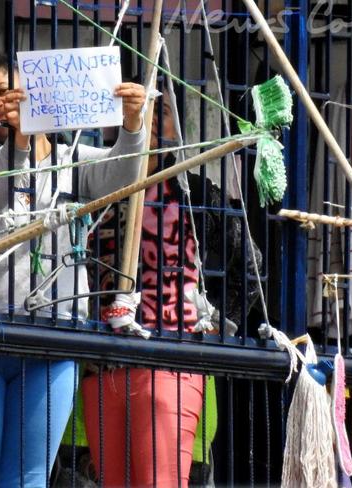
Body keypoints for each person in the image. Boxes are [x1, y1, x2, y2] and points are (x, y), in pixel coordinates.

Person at [0, 54, 146, 487]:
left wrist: (132, 124)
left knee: (29, 478)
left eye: (2, 91)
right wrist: (21, 140)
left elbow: (124, 176)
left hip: (54, 338)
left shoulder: (73, 156)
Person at [81, 92, 263, 487]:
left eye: (156, 113)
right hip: (102, 364)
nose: (143, 122)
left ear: (174, 126)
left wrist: (216, 324)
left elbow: (250, 265)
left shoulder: (195, 192)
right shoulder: (94, 188)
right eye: (128, 114)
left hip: (169, 360)